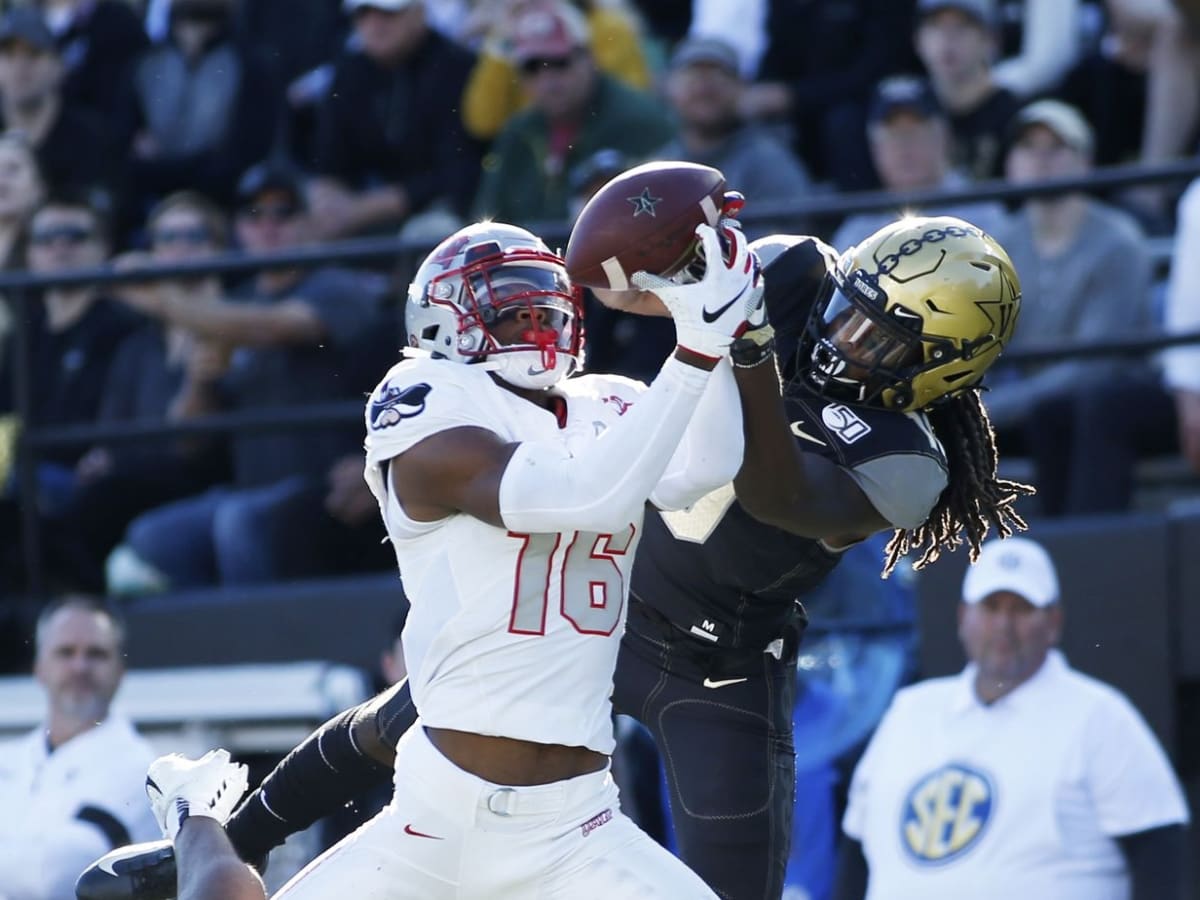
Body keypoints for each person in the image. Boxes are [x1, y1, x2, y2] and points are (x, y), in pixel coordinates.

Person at [81, 211, 1030, 900]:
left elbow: (764, 488)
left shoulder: (914, 465)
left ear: (942, 365)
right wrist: (678, 273)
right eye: (851, 304)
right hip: (620, 599)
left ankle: (207, 830)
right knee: (421, 713)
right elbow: (626, 313)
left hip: (722, 659)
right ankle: (205, 837)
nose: (842, 331)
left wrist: (732, 346)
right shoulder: (792, 280)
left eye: (880, 334)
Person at [100, 216, 759, 900]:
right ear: (443, 315)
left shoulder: (613, 402)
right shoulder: (424, 397)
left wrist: (721, 331)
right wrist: (695, 354)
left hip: (578, 825)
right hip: (439, 821)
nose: (532, 318)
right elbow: (575, 498)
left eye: (543, 301)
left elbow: (707, 466)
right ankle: (196, 812)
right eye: (508, 302)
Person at [834, 536, 1191, 899]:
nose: (1003, 624)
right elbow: (857, 850)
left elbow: (1158, 848)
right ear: (962, 617)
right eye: (990, 606)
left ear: (1053, 622)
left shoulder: (1099, 716)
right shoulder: (910, 710)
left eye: (1021, 608)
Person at [106, 161, 390, 591]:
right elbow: (189, 439)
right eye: (255, 215)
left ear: (311, 223)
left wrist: (161, 298)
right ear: (239, 229)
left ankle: (266, 649)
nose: (269, 226)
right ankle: (210, 647)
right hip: (247, 486)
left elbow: (276, 326)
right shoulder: (231, 306)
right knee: (151, 540)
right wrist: (200, 382)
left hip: (321, 483)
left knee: (238, 525)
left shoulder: (336, 285)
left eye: (284, 212)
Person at [0, 595, 159, 900]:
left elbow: (54, 875)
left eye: (96, 654)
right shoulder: (8, 759)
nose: (80, 667)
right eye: (65, 652)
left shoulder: (143, 770)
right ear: (38, 668)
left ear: (120, 671)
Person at [472, 1, 675, 226]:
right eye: (532, 68)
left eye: (560, 63)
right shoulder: (517, 132)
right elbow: (487, 223)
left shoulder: (637, 123)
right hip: (532, 258)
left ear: (589, 58)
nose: (548, 80)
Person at [831, 74, 1006, 249]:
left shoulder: (983, 214)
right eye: (892, 135)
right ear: (874, 147)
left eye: (914, 133)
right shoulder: (859, 231)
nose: (903, 147)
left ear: (943, 137)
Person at [913, 0, 1022, 180]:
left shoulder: (1014, 116)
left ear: (990, 40)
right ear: (917, 40)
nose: (947, 39)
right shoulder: (903, 110)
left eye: (961, 27)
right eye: (936, 26)